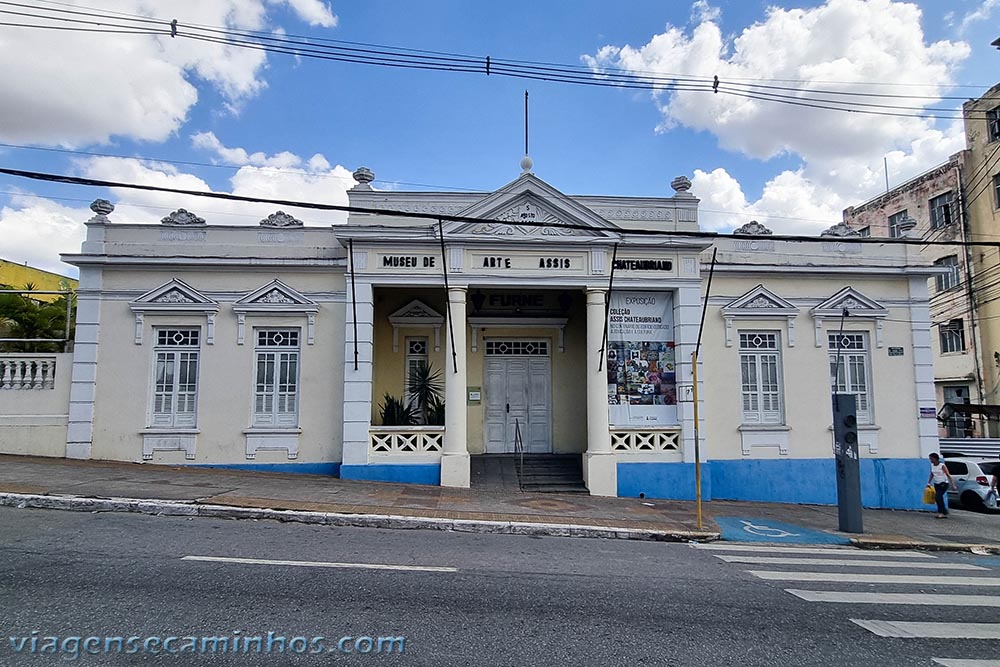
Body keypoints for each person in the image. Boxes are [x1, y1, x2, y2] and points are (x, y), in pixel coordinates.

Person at [927, 453, 957, 519]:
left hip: (943, 483)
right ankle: (943, 512)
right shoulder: (932, 465)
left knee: (938, 497)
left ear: (935, 458)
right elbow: (932, 474)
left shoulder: (942, 465)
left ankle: (941, 512)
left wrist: (953, 484)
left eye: (931, 458)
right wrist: (928, 482)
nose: (931, 460)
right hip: (936, 483)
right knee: (939, 498)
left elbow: (948, 474)